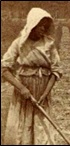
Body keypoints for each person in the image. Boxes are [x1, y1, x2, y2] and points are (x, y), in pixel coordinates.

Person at [1, 8, 62, 145]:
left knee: (42, 129)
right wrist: (22, 88)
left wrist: (45, 94)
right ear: (32, 25)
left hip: (42, 93)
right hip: (24, 93)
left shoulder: (49, 44)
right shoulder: (19, 43)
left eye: (45, 26)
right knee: (22, 129)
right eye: (40, 25)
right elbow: (4, 68)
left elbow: (56, 70)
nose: (42, 29)